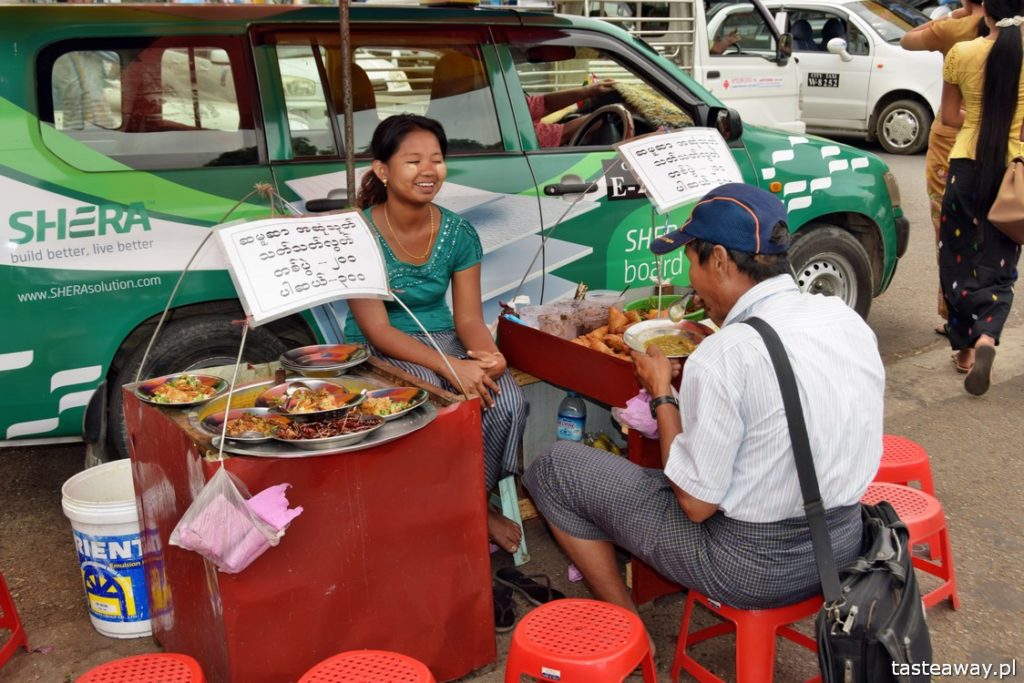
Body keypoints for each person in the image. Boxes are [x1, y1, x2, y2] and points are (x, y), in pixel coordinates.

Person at [524, 183, 884, 619]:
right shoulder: (844, 319)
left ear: (718, 260)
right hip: (843, 546)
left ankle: (629, 629)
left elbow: (694, 505)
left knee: (555, 469)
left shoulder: (725, 353)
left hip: (753, 569)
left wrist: (661, 394)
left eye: (689, 262)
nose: (690, 283)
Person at [347, 114, 529, 556]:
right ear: (382, 170)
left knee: (507, 399)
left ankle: (469, 504)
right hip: (381, 347)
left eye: (437, 159)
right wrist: (451, 369)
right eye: (412, 161)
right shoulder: (356, 235)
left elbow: (467, 319)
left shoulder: (458, 233)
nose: (428, 171)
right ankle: (466, 515)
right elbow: (378, 327)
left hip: (444, 335)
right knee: (437, 407)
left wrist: (488, 357)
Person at [939, 0, 1023, 394]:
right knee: (1000, 263)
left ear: (985, 7)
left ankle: (966, 350)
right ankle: (987, 336)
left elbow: (949, 118)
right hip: (1013, 172)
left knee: (957, 260)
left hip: (966, 166)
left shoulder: (962, 53)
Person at [900, 0, 987, 337]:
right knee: (987, 231)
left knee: (947, 228)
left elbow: (908, 39)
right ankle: (986, 313)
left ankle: (955, 315)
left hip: (952, 140)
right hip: (999, 141)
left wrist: (953, 16)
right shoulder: (1014, 37)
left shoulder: (955, 31)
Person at [526, 79, 616, 147]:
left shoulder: (516, 112)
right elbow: (563, 133)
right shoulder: (524, 137)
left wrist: (588, 91)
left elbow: (543, 105)